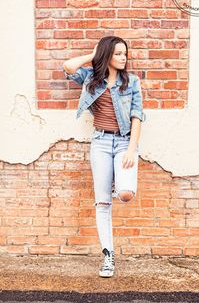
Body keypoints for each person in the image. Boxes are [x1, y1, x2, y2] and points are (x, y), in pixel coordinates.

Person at [62, 36, 145, 278]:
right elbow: (68, 67)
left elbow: (137, 117)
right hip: (100, 142)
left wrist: (131, 149)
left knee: (126, 194)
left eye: (125, 54)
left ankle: (114, 180)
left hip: (123, 143)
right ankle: (108, 256)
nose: (123, 58)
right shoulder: (91, 78)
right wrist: (94, 54)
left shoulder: (132, 82)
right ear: (107, 55)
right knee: (103, 203)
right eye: (118, 53)